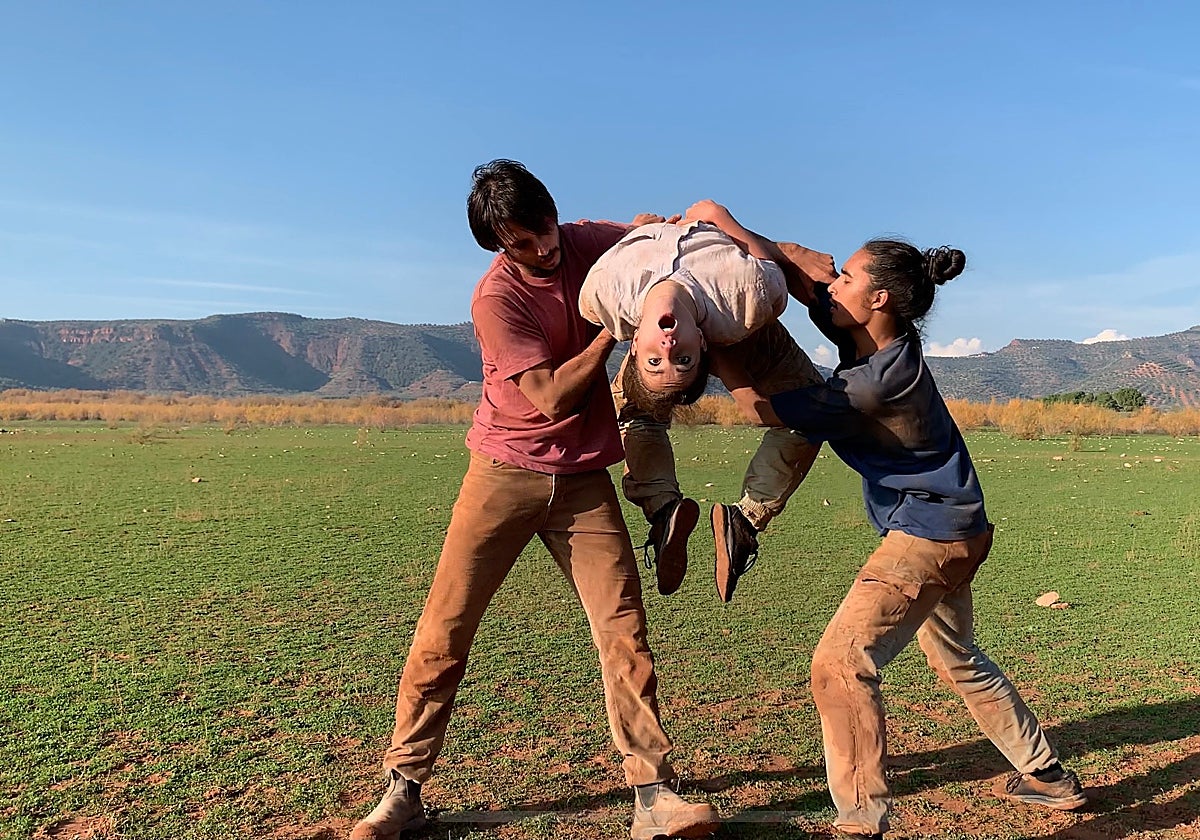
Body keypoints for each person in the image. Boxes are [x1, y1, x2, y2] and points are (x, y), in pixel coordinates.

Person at [349, 160, 718, 840]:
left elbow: (653, 237)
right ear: (498, 244)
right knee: (446, 631)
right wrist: (617, 326)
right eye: (524, 243)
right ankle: (401, 792)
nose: (544, 248)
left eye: (545, 229)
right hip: (504, 472)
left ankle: (653, 795)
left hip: (582, 478)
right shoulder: (495, 298)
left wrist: (675, 237)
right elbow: (548, 394)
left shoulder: (580, 240)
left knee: (624, 630)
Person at [742, 236, 1087, 839]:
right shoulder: (873, 334)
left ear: (878, 298)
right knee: (958, 657)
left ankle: (859, 818)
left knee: (841, 662)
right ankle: (1046, 775)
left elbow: (763, 410)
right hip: (960, 529)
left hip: (928, 537)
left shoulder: (875, 381)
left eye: (845, 276)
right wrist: (729, 223)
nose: (832, 282)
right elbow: (805, 288)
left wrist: (704, 354)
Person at [579, 200, 835, 602]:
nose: (666, 345)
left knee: (636, 413)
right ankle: (743, 521)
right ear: (700, 342)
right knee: (809, 413)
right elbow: (720, 219)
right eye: (679, 358)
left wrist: (635, 230)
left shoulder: (603, 296)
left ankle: (665, 510)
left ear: (630, 344)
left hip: (725, 325)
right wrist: (716, 219)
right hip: (745, 326)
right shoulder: (750, 293)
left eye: (655, 357)